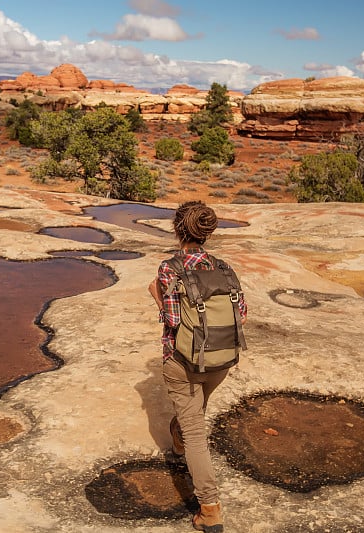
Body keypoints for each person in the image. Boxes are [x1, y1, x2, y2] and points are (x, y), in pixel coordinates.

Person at [148, 200, 247, 533]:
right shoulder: (224, 267)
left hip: (182, 361)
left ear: (177, 229)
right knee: (192, 412)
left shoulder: (170, 268)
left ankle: (210, 510)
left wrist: (157, 296)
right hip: (221, 360)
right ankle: (178, 432)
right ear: (208, 232)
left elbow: (173, 321)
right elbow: (241, 315)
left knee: (195, 433)